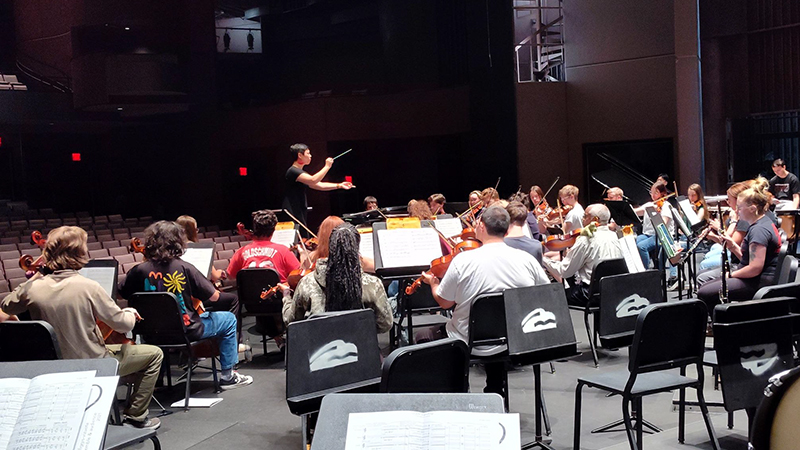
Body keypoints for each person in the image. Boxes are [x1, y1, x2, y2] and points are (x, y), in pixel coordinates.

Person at [1, 226, 164, 429]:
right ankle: (135, 417)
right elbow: (122, 323)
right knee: (154, 355)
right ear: (78, 253)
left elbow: (7, 305)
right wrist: (130, 313)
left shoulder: (34, 289)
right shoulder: (89, 287)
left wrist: (37, 275)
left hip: (51, 367)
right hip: (93, 362)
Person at [420, 206, 550, 398]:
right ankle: (496, 391)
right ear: (507, 229)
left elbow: (444, 303)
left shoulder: (463, 260)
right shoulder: (527, 260)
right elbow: (546, 293)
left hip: (467, 341)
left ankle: (458, 391)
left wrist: (433, 284)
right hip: (513, 340)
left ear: (481, 226)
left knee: (423, 335)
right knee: (496, 330)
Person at [120, 221, 253, 390]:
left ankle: (157, 380)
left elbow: (120, 293)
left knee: (163, 324)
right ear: (177, 242)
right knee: (228, 320)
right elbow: (214, 297)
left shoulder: (138, 270)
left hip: (151, 335)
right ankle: (228, 376)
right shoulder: (185, 267)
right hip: (185, 332)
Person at [282, 223, 392, 333]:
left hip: (319, 343)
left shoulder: (307, 283)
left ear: (330, 246)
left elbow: (291, 321)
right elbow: (385, 324)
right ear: (357, 248)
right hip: (360, 343)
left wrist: (286, 297)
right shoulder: (373, 284)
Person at [697, 185, 781, 309]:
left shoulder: (759, 231)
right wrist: (732, 246)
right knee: (706, 285)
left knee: (705, 292)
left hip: (758, 281)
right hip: (754, 277)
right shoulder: (760, 223)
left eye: (740, 208)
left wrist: (731, 275)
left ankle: (719, 320)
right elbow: (749, 260)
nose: (736, 211)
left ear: (752, 209)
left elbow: (755, 268)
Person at [226, 210, 301, 345]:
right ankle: (288, 336)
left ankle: (277, 337)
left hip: (251, 305)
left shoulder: (241, 252)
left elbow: (230, 276)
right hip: (278, 303)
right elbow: (298, 274)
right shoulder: (283, 250)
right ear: (273, 230)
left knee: (260, 295)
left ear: (255, 228)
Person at [176, 215, 247, 351]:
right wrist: (220, 273)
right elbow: (214, 276)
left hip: (181, 297)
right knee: (233, 299)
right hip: (198, 296)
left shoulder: (174, 251)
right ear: (192, 231)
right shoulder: (199, 250)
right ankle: (233, 341)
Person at [542, 204, 622, 306]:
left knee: (555, 295)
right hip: (614, 291)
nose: (582, 219)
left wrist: (543, 259)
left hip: (590, 294)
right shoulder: (616, 236)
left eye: (585, 216)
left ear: (595, 219)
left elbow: (564, 271)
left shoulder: (586, 240)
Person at [282, 143, 354, 229]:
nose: (310, 156)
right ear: (300, 155)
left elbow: (319, 185)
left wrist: (339, 185)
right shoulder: (293, 171)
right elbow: (313, 180)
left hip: (299, 209)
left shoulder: (300, 172)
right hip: (292, 211)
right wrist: (327, 166)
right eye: (308, 153)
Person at [635, 181, 675, 272]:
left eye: (655, 193)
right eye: (651, 192)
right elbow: (636, 212)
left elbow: (662, 224)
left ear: (662, 193)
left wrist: (656, 214)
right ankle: (639, 267)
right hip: (648, 234)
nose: (653, 195)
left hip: (662, 235)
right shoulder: (650, 204)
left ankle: (645, 271)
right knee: (636, 241)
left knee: (641, 246)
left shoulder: (666, 206)